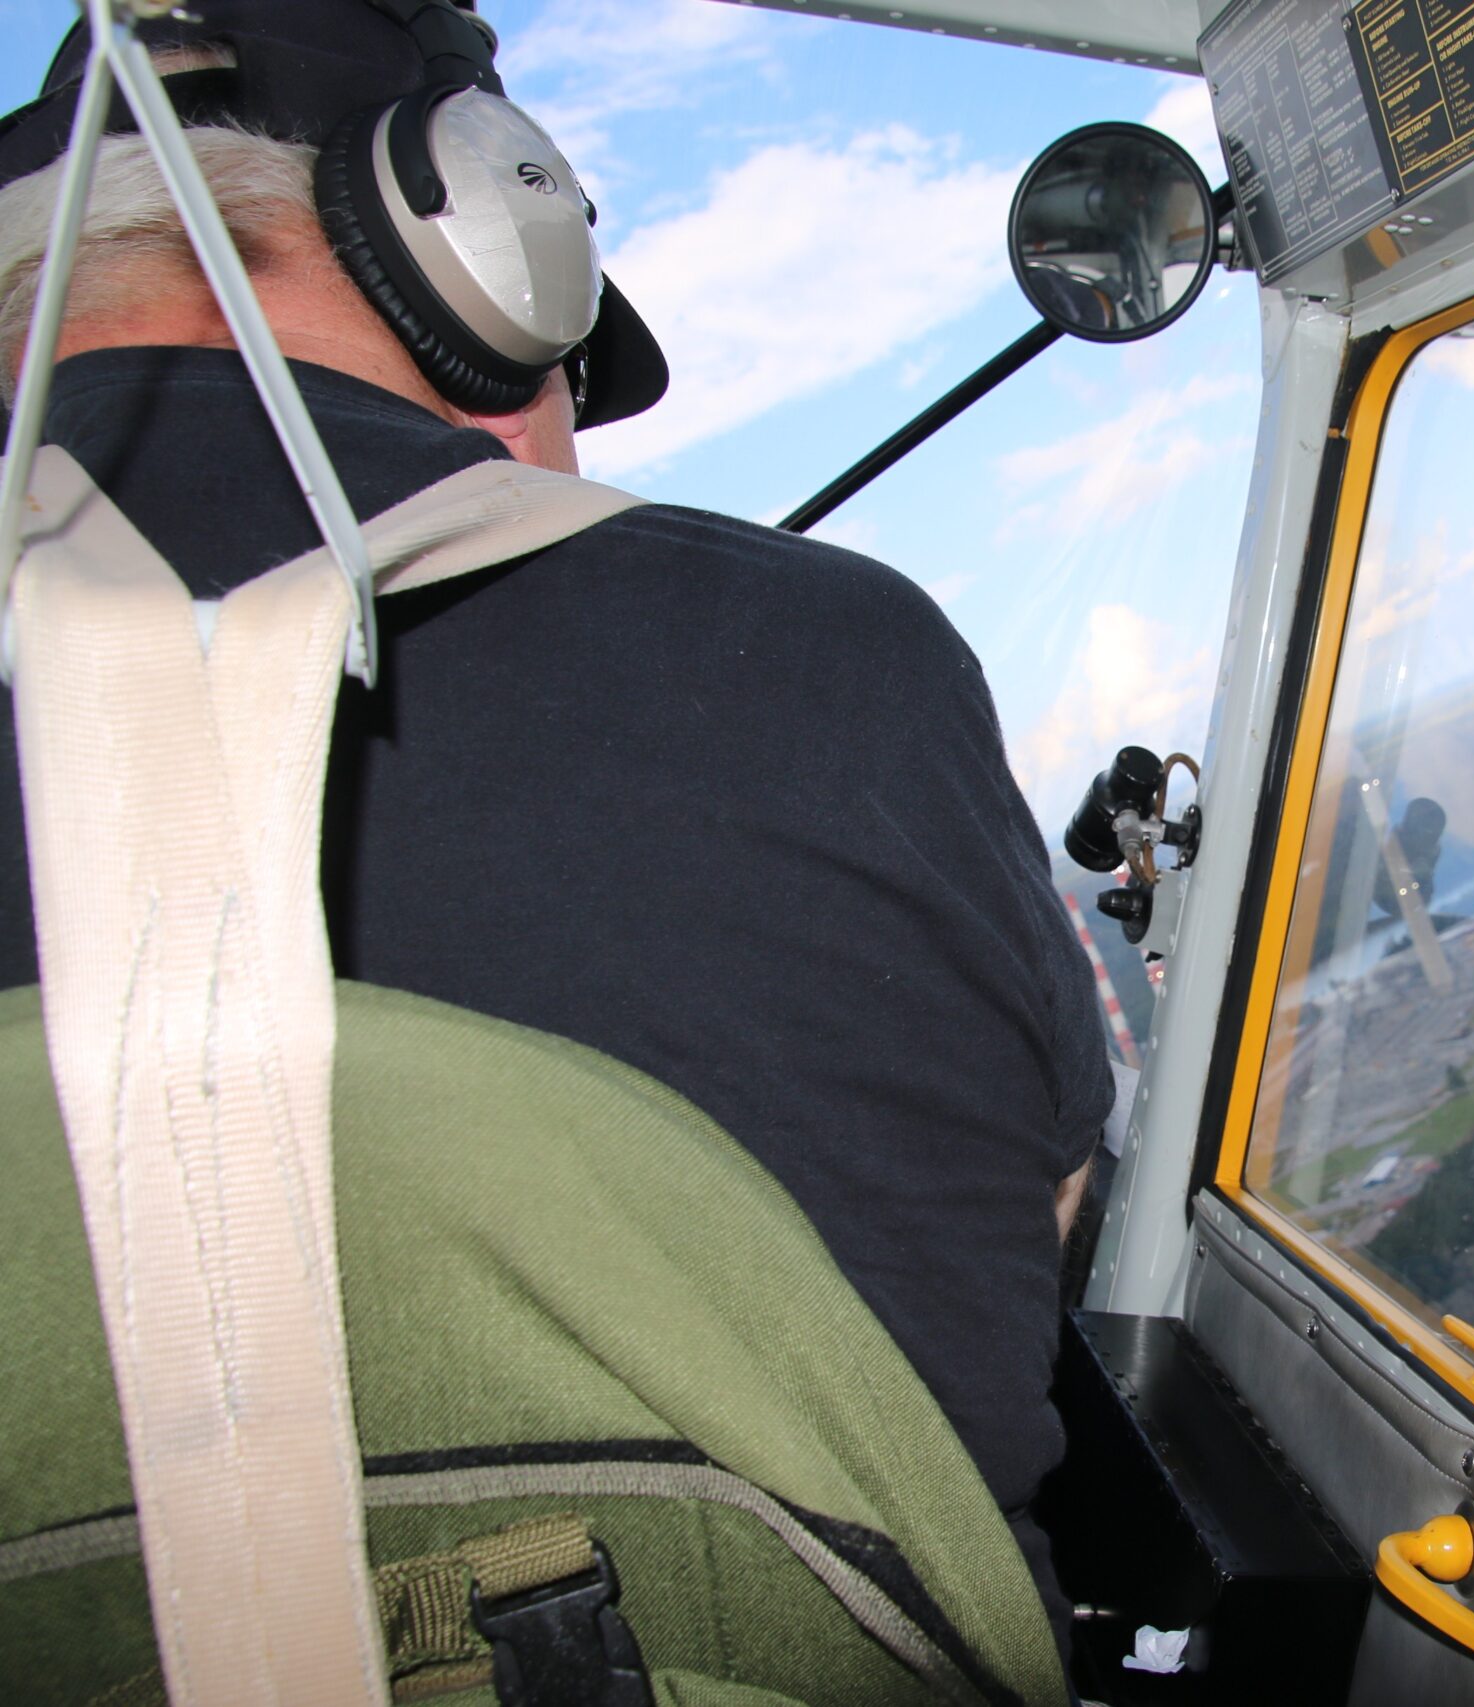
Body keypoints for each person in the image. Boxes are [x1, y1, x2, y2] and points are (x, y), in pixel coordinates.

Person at [0, 0, 1112, 1654]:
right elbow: (1037, 1225)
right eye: (572, 362)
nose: (567, 430)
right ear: (481, 247)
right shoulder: (825, 656)